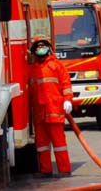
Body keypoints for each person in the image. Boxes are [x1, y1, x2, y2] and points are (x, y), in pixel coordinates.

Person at [28, 38, 74, 178]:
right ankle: (45, 170)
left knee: (59, 143)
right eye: (38, 46)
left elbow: (66, 84)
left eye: (43, 46)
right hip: (39, 113)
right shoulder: (32, 69)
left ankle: (64, 170)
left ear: (49, 48)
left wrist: (68, 100)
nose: (40, 48)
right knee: (42, 145)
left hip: (54, 110)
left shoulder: (57, 65)